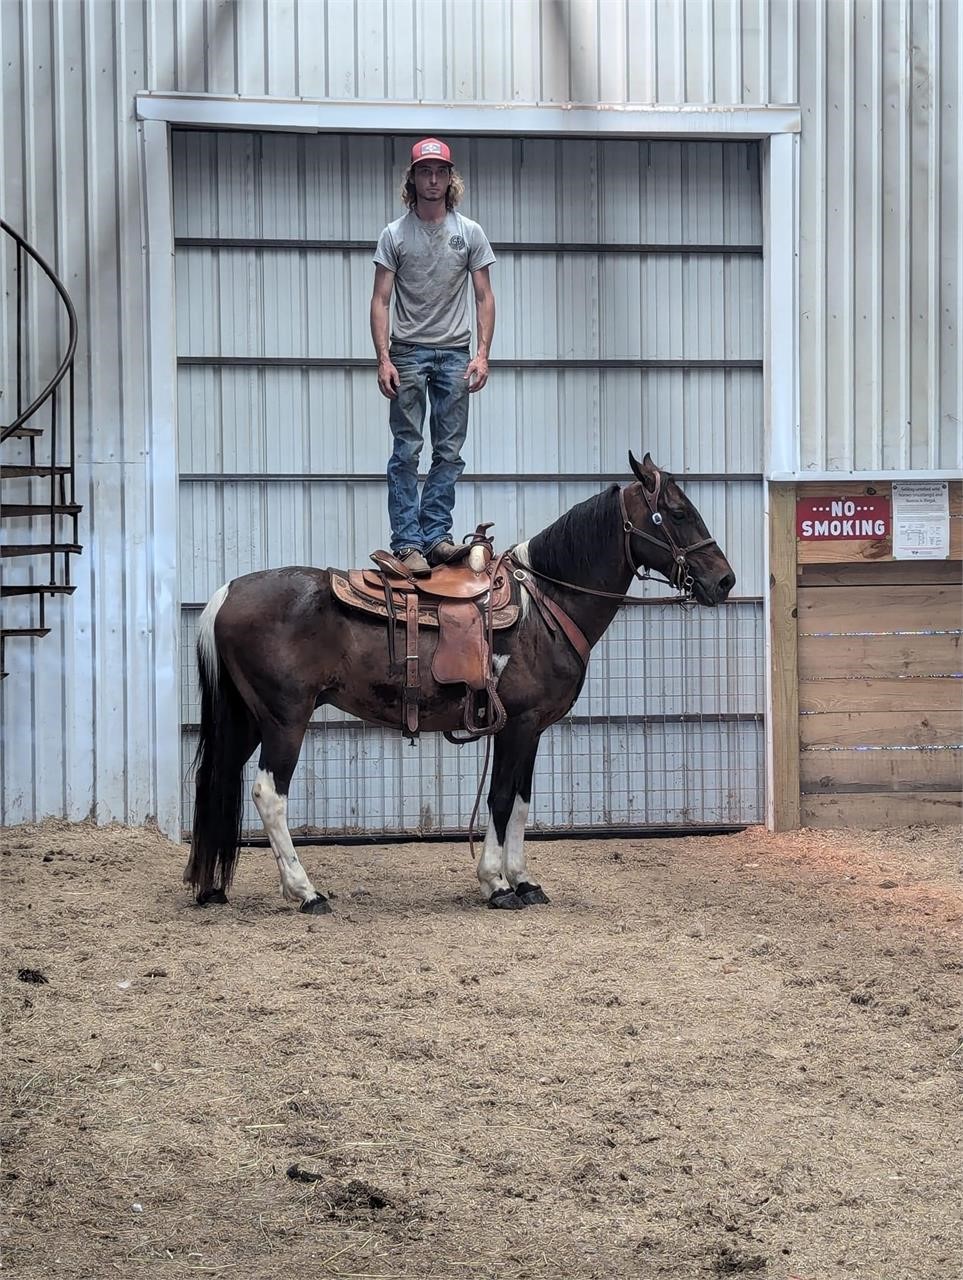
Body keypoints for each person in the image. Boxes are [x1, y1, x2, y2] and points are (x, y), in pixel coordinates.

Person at [370, 137, 496, 575]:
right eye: (425, 172)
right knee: (406, 449)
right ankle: (407, 541)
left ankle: (437, 534)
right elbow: (380, 300)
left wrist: (481, 354)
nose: (433, 179)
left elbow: (483, 296)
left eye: (440, 172)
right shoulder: (394, 235)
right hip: (407, 354)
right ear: (413, 179)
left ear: (450, 178)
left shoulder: (469, 233)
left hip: (454, 354)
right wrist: (383, 358)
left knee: (449, 450)